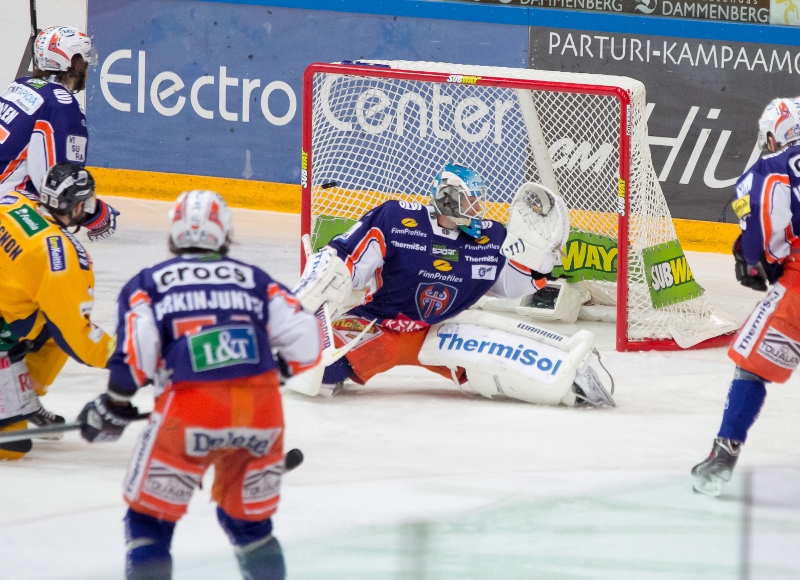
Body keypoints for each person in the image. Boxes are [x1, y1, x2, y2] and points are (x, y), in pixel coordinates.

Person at [77, 189, 324, 579]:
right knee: (250, 527)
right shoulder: (255, 281)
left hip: (189, 411)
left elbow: (134, 358)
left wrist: (114, 404)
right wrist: (276, 372)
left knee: (149, 521)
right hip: (259, 411)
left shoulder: (149, 283)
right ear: (225, 234)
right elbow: (308, 339)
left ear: (175, 234)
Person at [288, 163, 614, 407]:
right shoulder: (396, 219)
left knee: (503, 369)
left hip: (446, 330)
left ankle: (572, 383)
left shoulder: (491, 238)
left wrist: (541, 260)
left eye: (478, 202)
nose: (478, 211)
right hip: (381, 322)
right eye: (470, 203)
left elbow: (514, 286)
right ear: (447, 201)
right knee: (319, 373)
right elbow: (346, 259)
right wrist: (327, 274)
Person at [691, 97, 800, 496]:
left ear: (775, 136)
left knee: (750, 367)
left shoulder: (771, 168)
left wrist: (757, 259)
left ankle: (723, 455)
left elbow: (767, 227)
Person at [0, 162, 112, 459]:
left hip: (6, 321)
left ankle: (24, 399)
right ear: (76, 207)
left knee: (49, 325)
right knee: (12, 446)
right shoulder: (62, 256)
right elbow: (77, 336)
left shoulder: (12, 202)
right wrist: (128, 356)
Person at [0, 25, 119, 241]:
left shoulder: (21, 85)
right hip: (6, 214)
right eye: (83, 59)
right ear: (72, 63)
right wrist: (95, 214)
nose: (87, 66)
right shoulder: (61, 106)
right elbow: (61, 183)